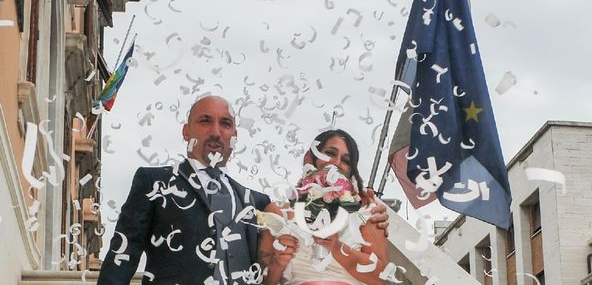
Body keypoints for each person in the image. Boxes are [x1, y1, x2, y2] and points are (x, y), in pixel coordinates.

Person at [98, 96, 388, 285]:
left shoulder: (256, 202)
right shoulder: (154, 181)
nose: (216, 131)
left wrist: (364, 206)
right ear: (186, 131)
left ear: (234, 137)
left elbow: (267, 267)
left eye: (225, 124)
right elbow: (123, 252)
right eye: (205, 121)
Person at [257, 130, 389, 285]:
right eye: (330, 153)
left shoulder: (367, 212)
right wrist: (277, 263)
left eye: (346, 161)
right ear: (309, 157)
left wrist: (336, 247)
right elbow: (262, 281)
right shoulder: (277, 212)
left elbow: (380, 277)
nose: (336, 163)